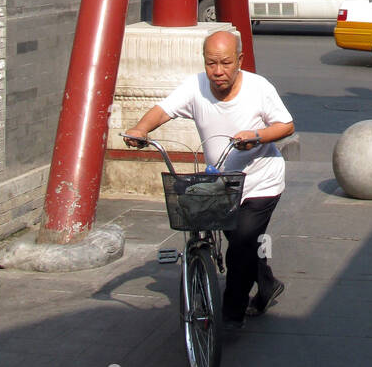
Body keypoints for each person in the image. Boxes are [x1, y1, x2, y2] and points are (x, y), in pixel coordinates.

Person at [123, 29, 294, 326]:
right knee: (242, 244)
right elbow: (164, 110)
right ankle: (266, 283)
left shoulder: (258, 88)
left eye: (226, 63)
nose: (218, 72)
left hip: (261, 182)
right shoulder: (195, 86)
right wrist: (141, 129)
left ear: (239, 60)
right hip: (222, 183)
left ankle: (230, 314)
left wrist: (257, 136)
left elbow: (286, 125)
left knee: (240, 244)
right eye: (211, 63)